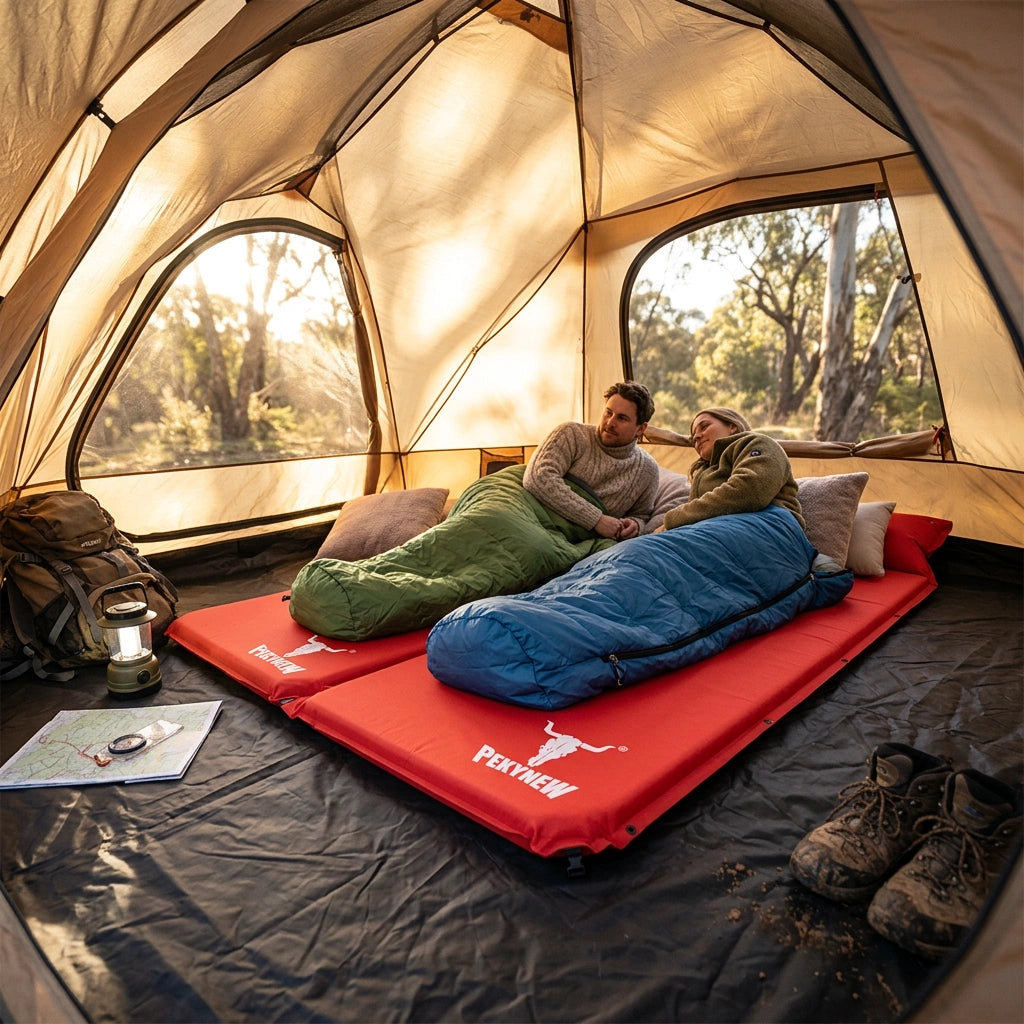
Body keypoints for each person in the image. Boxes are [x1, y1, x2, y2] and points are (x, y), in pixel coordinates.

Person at [524, 381, 660, 540]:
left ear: (640, 429)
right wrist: (596, 520)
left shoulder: (647, 470)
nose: (610, 422)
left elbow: (642, 515)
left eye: (622, 418)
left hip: (579, 539)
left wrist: (635, 524)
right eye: (608, 412)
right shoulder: (572, 434)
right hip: (533, 516)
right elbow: (538, 477)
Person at [658, 406, 805, 532]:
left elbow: (750, 490)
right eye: (693, 436)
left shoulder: (757, 443)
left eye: (704, 426)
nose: (696, 436)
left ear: (732, 426)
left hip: (770, 525)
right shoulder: (703, 473)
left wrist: (674, 519)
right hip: (720, 531)